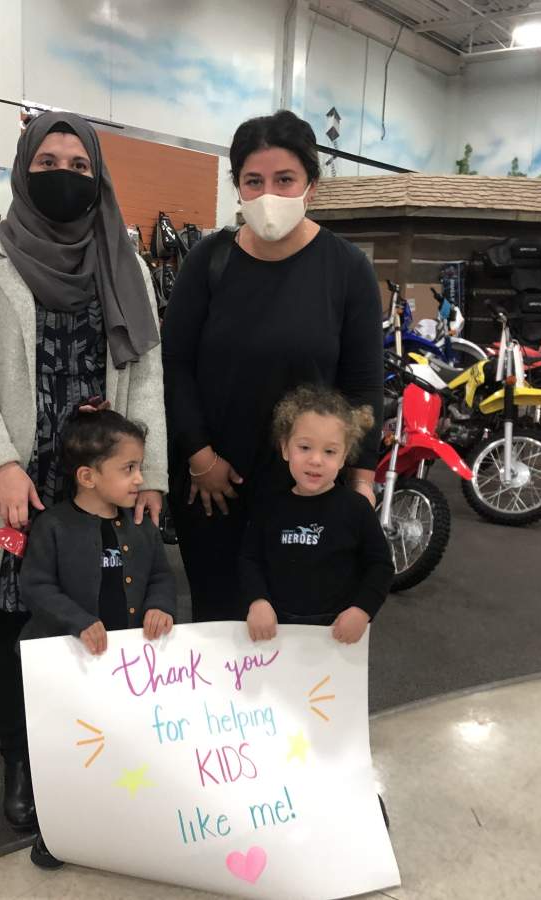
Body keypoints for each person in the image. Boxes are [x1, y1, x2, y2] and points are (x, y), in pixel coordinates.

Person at [0, 111, 167, 837]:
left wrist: (150, 472)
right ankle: (21, 762)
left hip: (98, 488)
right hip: (14, 487)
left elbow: (148, 374)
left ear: (97, 176)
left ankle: (92, 757)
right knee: (18, 626)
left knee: (100, 616)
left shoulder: (122, 266)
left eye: (78, 164)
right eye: (49, 161)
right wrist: (1, 464)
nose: (64, 174)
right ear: (23, 168)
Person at [162, 109, 383, 624]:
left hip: (309, 489)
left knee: (300, 624)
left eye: (284, 180)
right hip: (212, 488)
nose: (268, 195)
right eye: (253, 181)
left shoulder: (347, 269)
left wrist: (362, 480)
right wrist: (200, 458)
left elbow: (364, 384)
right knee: (218, 621)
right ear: (237, 186)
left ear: (311, 185)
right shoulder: (208, 261)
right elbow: (174, 364)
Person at [19, 408, 177, 868]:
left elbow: (162, 578)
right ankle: (58, 831)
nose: (139, 479)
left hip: (128, 672)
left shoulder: (143, 526)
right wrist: (76, 620)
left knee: (126, 746)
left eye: (139, 467)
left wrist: (161, 607)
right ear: (87, 476)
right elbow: (35, 586)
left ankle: (126, 822)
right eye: (128, 469)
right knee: (69, 752)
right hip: (72, 672)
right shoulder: (54, 527)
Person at [240, 384, 392, 640]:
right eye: (305, 447)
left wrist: (362, 610)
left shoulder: (356, 510)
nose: (316, 460)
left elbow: (380, 566)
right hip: (276, 631)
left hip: (334, 634)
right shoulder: (269, 506)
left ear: (344, 457)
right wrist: (257, 601)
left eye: (330, 451)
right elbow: (249, 559)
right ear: (286, 448)